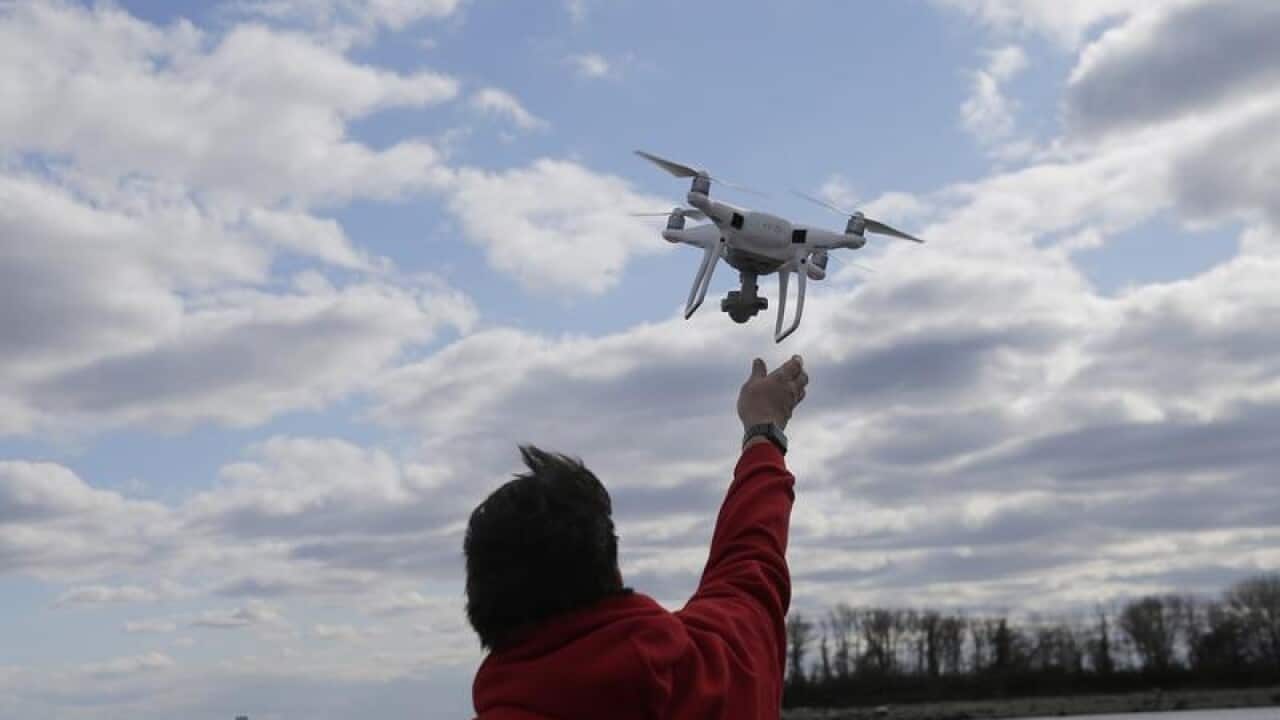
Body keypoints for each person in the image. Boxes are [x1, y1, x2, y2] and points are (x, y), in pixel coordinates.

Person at [465, 355, 809, 719]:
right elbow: (749, 563)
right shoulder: (709, 677)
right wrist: (763, 432)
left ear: (481, 610)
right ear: (611, 570)